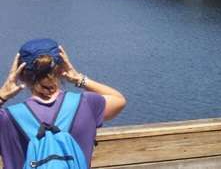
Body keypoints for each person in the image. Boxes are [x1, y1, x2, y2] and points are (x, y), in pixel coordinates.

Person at [0, 39, 127, 168]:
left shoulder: (7, 118)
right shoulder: (86, 104)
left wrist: (2, 95)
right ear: (61, 68)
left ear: (20, 75)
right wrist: (78, 78)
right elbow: (118, 100)